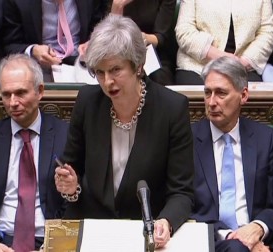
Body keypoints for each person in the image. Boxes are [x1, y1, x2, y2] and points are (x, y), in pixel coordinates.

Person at [55, 14, 194, 249]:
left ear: (138, 65)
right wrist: (70, 187)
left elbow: (182, 192)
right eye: (99, 72)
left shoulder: (172, 109)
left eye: (115, 70)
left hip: (145, 231)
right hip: (93, 226)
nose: (107, 81)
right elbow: (72, 171)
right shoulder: (87, 102)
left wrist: (166, 221)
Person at [0, 54, 68, 251]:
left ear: (40, 91)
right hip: (2, 240)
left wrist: (56, 244)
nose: (13, 102)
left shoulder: (65, 136)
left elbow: (74, 202)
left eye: (20, 93)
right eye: (6, 95)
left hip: (50, 241)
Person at [192, 56, 273, 251]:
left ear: (243, 96)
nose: (212, 102)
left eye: (221, 93)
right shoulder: (189, 139)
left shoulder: (264, 138)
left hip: (259, 240)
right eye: (208, 93)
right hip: (210, 240)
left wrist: (258, 228)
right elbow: (185, 206)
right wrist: (236, 238)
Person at [174, 0, 273, 85]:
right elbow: (184, 31)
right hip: (197, 66)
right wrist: (223, 58)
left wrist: (243, 62)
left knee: (248, 98)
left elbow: (267, 32)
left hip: (243, 68)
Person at [2, 0, 95, 81]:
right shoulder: (17, 2)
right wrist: (33, 50)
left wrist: (93, 43)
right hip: (40, 67)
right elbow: (10, 45)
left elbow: (100, 27)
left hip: (83, 63)